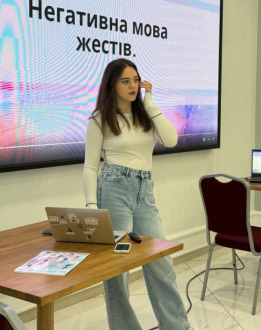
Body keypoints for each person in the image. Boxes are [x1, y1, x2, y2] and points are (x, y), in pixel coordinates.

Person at [83, 58, 190, 330]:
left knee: (160, 261)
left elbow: (171, 139)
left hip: (145, 189)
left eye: (135, 80)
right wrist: (92, 206)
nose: (132, 86)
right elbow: (90, 166)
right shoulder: (99, 119)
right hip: (113, 187)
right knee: (117, 269)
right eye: (125, 81)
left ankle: (177, 326)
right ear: (112, 85)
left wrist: (150, 101)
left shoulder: (145, 114)